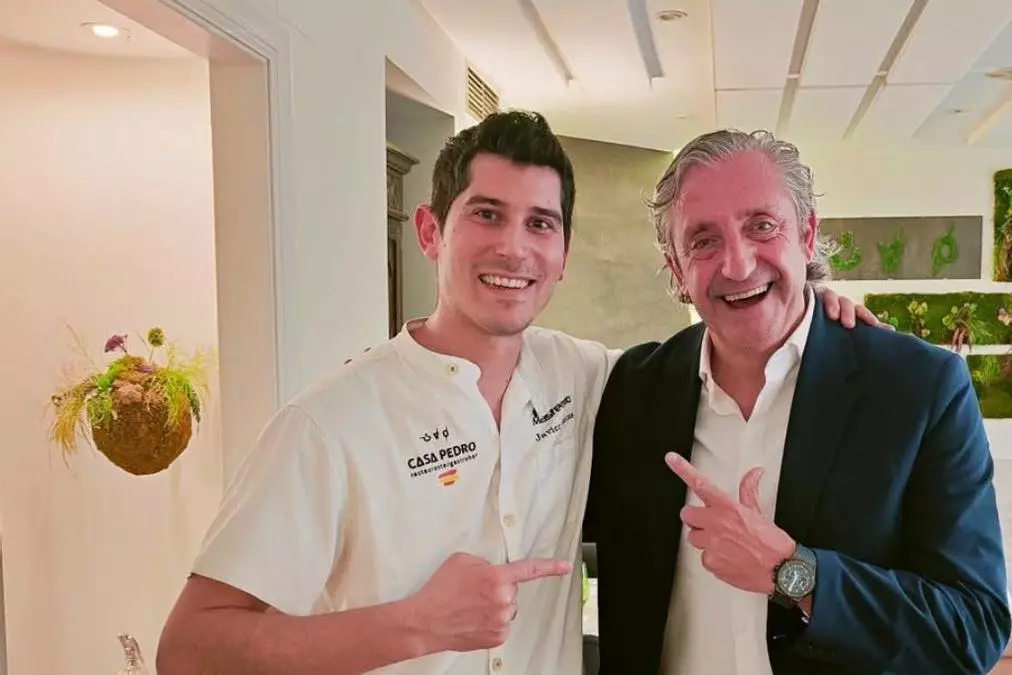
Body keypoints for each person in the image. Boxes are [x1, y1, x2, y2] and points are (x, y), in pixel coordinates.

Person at [155, 111, 878, 675]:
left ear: (562, 254)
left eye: (540, 224)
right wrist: (416, 624)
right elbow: (188, 649)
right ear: (431, 231)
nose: (514, 247)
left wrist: (813, 318)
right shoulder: (329, 423)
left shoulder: (590, 377)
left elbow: (725, 350)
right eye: (486, 214)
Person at [584, 129, 1012, 674]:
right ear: (677, 269)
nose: (738, 265)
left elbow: (973, 628)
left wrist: (794, 574)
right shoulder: (632, 390)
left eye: (762, 226)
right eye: (703, 240)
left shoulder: (917, 387)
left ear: (807, 236)